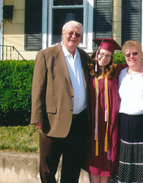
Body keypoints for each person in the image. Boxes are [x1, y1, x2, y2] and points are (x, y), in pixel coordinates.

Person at [30, 20, 90, 183]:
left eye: (77, 34)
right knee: (48, 169)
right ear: (63, 33)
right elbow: (38, 88)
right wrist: (37, 117)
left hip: (79, 124)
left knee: (72, 169)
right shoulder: (46, 55)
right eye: (70, 32)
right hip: (53, 122)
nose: (73, 36)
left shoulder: (84, 57)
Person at [117, 40, 143, 183]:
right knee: (127, 158)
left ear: (141, 54)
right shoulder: (121, 73)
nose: (131, 57)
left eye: (135, 53)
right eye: (128, 54)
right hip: (125, 122)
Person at [85, 38, 126, 183]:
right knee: (94, 156)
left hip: (110, 124)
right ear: (96, 53)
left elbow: (136, 67)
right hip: (93, 123)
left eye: (108, 55)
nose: (104, 58)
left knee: (108, 153)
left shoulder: (116, 71)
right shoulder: (87, 71)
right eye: (101, 54)